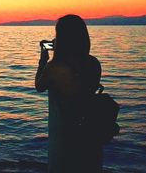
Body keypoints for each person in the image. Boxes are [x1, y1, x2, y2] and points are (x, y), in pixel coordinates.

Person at [35, 14, 103, 173]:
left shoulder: (54, 68)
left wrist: (43, 59)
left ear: (62, 38)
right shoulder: (93, 63)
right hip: (89, 133)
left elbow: (39, 85)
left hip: (65, 136)